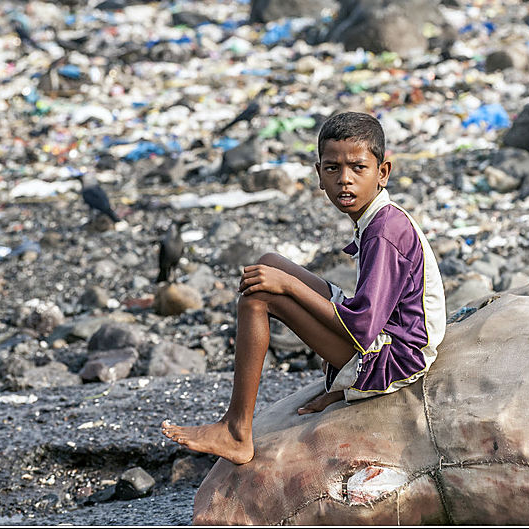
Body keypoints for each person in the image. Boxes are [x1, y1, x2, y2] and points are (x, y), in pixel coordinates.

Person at [160, 111, 447, 464]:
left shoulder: (385, 231)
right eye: (333, 169)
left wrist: (290, 287)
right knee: (268, 262)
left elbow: (362, 326)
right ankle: (259, 414)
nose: (345, 180)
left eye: (358, 168)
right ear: (319, 174)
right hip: (387, 334)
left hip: (398, 358)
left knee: (259, 299)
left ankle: (236, 431)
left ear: (382, 172)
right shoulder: (379, 218)